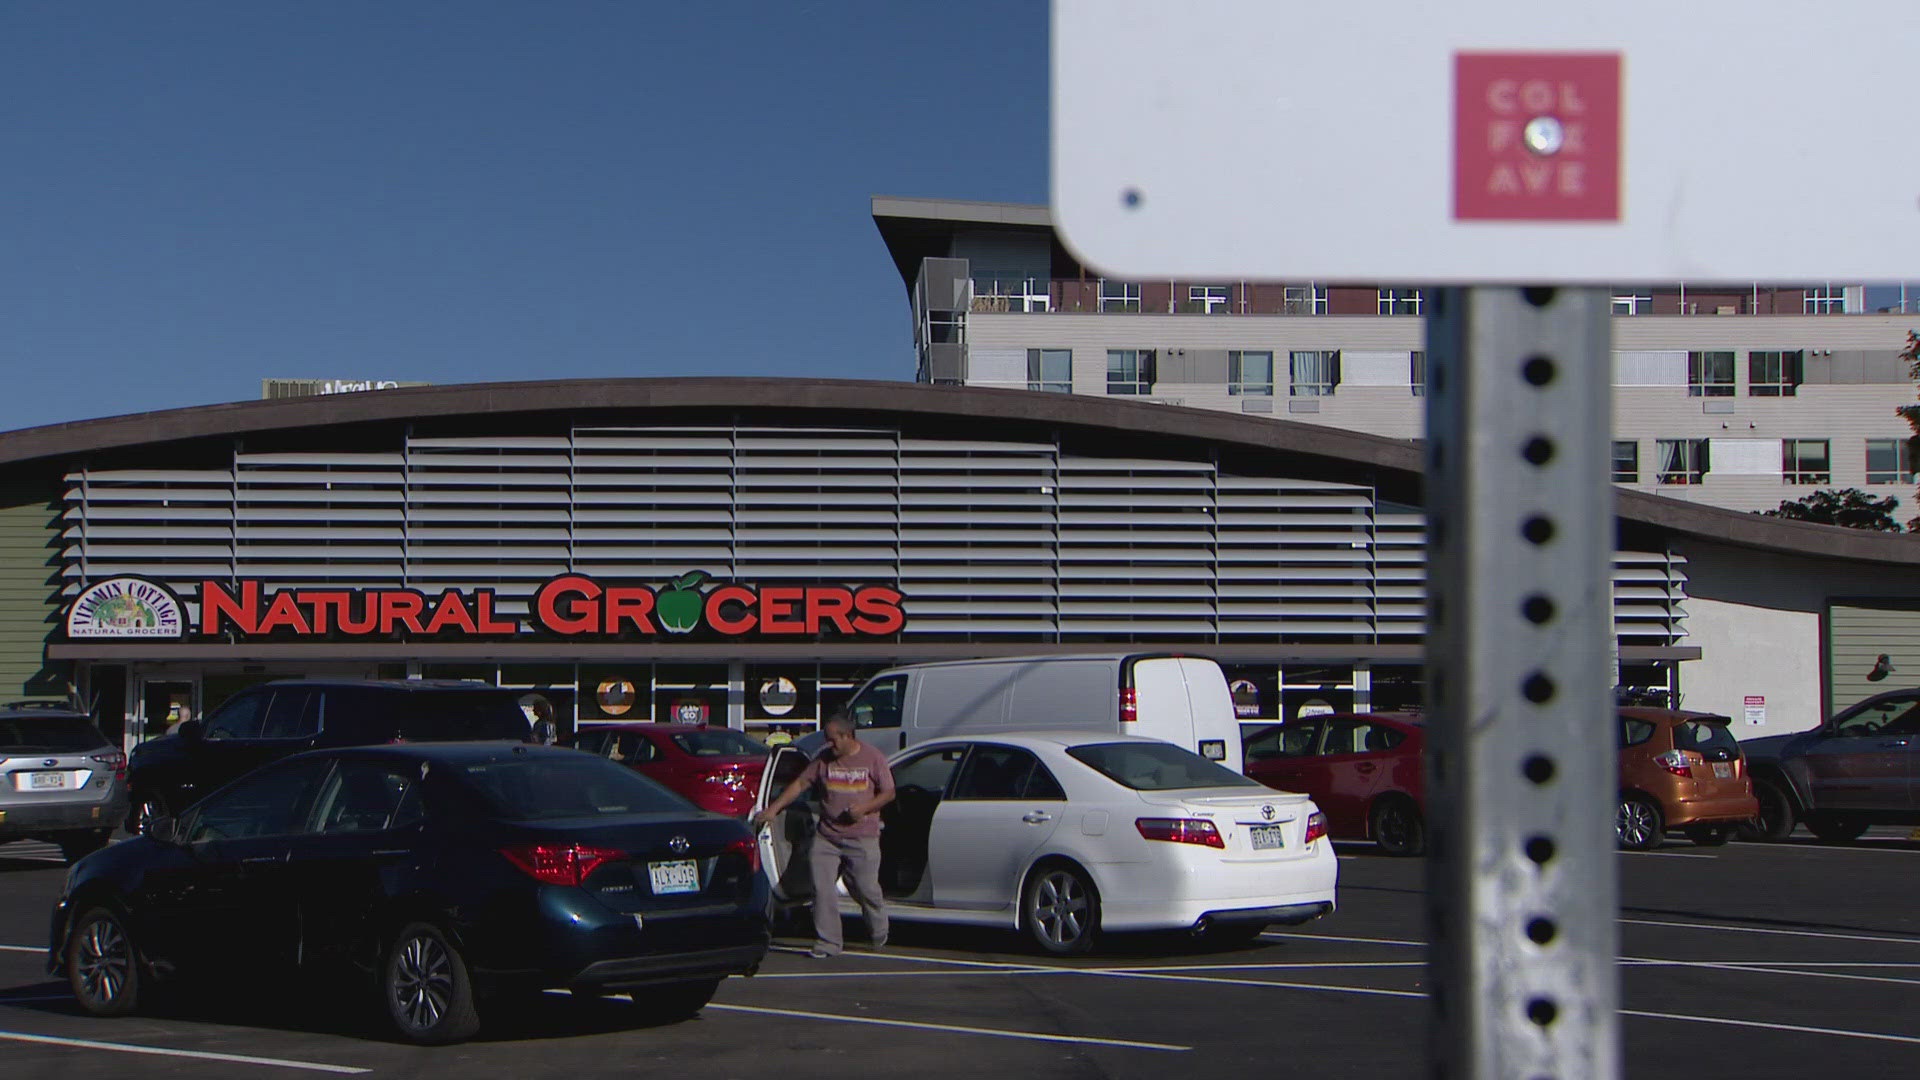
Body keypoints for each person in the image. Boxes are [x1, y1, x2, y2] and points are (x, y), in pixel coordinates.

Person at [750, 714, 894, 957]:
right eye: (827, 740)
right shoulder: (823, 760)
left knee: (865, 887)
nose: (830, 744)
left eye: (833, 739)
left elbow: (889, 792)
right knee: (821, 887)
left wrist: (864, 808)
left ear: (847, 736)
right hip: (827, 835)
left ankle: (879, 931)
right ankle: (828, 942)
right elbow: (800, 785)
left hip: (862, 836)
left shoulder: (872, 758)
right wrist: (773, 810)